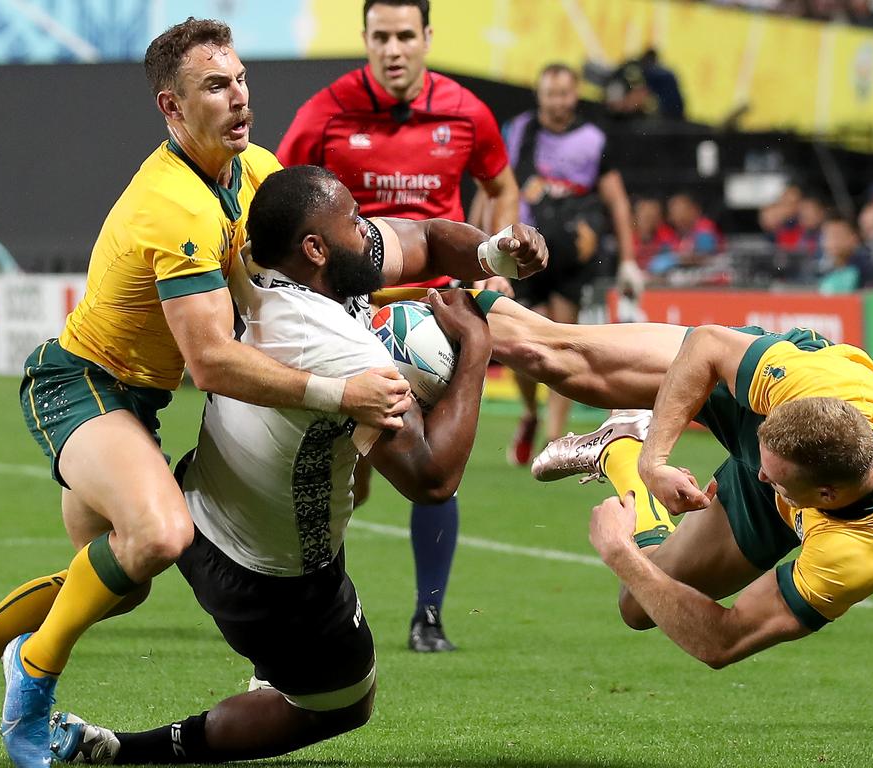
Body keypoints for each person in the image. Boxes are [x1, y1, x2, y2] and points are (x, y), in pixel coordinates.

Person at [0, 19, 417, 768]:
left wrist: (464, 268)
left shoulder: (253, 169)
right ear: (172, 105)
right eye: (215, 87)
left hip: (137, 402)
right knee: (161, 537)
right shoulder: (174, 205)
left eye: (241, 80)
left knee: (118, 577)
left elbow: (310, 268)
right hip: (79, 384)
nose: (238, 98)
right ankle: (30, 683)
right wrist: (339, 388)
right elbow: (213, 364)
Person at [44, 165, 544, 765]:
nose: (368, 230)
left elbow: (430, 240)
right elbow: (433, 479)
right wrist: (475, 353)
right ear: (315, 249)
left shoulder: (261, 265)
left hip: (197, 502)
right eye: (356, 223)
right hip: (268, 577)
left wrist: (493, 253)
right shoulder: (336, 346)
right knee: (343, 701)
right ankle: (122, 750)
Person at [482, 300, 873, 666]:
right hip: (763, 409)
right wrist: (654, 462)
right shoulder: (808, 383)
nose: (755, 473)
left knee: (637, 605)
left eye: (769, 477)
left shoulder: (861, 551)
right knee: (551, 356)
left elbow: (722, 641)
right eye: (761, 462)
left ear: (825, 498)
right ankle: (436, 285)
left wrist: (622, 555)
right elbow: (706, 345)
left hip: (790, 492)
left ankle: (618, 448)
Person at [276, 0, 521, 652]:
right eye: (380, 36)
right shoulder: (323, 112)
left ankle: (429, 615)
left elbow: (501, 186)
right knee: (348, 474)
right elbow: (278, 196)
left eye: (405, 36)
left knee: (435, 461)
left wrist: (494, 257)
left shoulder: (467, 113)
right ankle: (317, 599)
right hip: (348, 315)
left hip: (434, 315)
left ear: (427, 38)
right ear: (364, 39)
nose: (393, 49)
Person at [501, 62, 639, 466]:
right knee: (519, 347)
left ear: (575, 94)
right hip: (523, 250)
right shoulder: (519, 131)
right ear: (539, 94)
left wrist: (629, 260)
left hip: (572, 255)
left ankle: (553, 438)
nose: (558, 101)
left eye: (565, 93)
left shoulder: (594, 139)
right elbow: (498, 184)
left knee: (560, 343)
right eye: (551, 93)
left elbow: (617, 200)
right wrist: (478, 238)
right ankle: (529, 413)